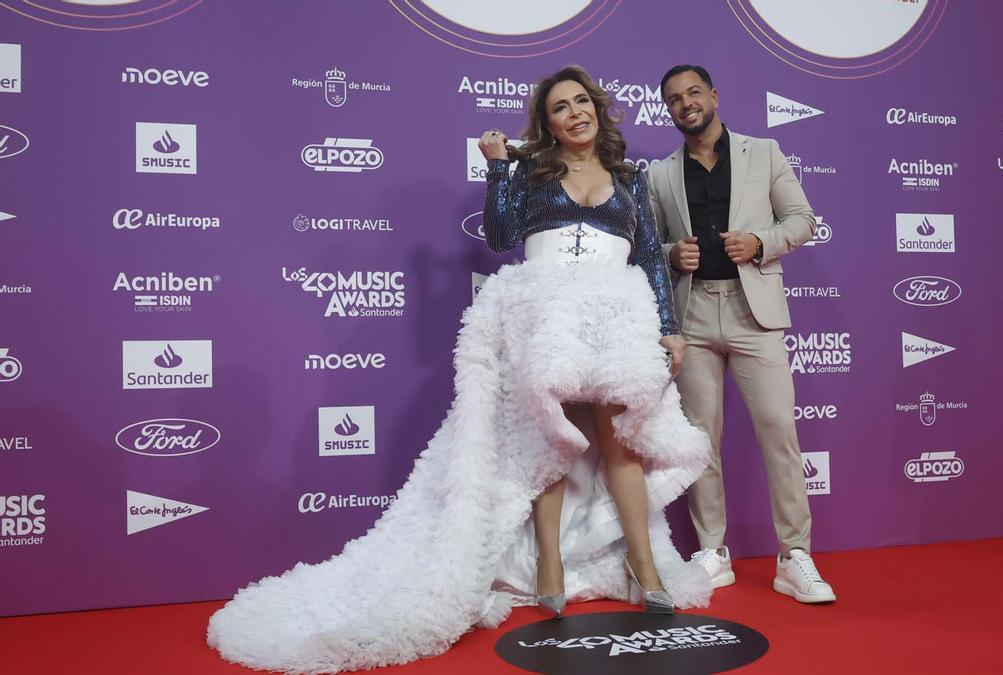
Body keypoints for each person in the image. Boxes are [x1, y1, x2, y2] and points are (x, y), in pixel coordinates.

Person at [206, 65, 711, 674]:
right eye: (559, 107)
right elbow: (499, 236)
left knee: (619, 441)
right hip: (543, 314)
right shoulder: (533, 170)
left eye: (582, 102)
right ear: (546, 122)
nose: (575, 112)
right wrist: (499, 166)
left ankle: (648, 568)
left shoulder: (630, 178)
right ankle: (548, 564)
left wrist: (669, 327)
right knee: (550, 440)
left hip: (616, 319)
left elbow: (652, 258)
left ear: (598, 109)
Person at [647, 64, 836, 604]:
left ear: (714, 95)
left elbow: (802, 219)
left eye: (694, 92)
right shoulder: (660, 175)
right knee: (701, 438)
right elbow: (648, 248)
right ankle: (712, 552)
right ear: (668, 109)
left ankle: (794, 556)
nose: (686, 103)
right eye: (674, 98)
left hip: (756, 312)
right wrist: (668, 255)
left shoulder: (765, 152)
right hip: (695, 315)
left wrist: (760, 241)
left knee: (779, 428)